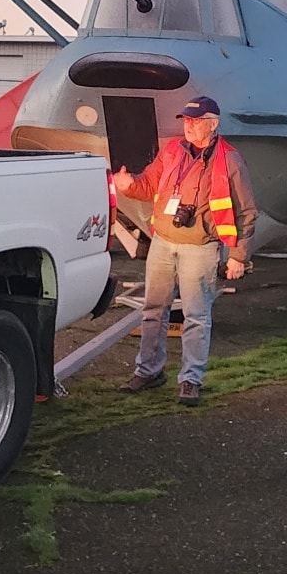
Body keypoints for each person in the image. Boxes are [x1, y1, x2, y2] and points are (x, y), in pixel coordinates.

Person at [111, 95, 256, 408]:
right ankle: (148, 371)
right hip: (162, 243)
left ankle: (191, 379)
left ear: (213, 124)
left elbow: (246, 212)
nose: (188, 126)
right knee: (152, 310)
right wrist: (127, 184)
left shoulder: (230, 159)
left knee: (196, 317)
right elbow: (148, 184)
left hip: (201, 250)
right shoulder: (173, 150)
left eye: (195, 121)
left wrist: (238, 256)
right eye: (186, 120)